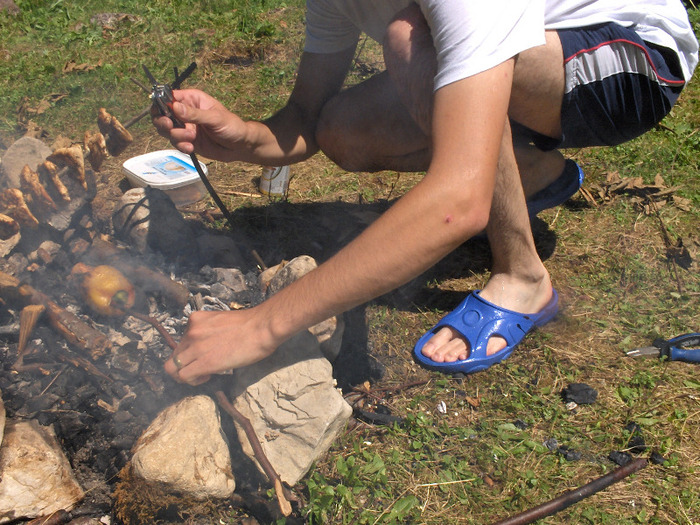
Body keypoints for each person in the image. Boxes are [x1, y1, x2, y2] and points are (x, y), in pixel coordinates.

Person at [153, 0, 698, 385]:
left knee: (412, 38)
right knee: (341, 127)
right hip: (533, 46)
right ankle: (533, 174)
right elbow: (304, 120)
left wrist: (260, 324)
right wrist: (241, 137)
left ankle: (523, 277)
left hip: (632, 57)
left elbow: (457, 205)